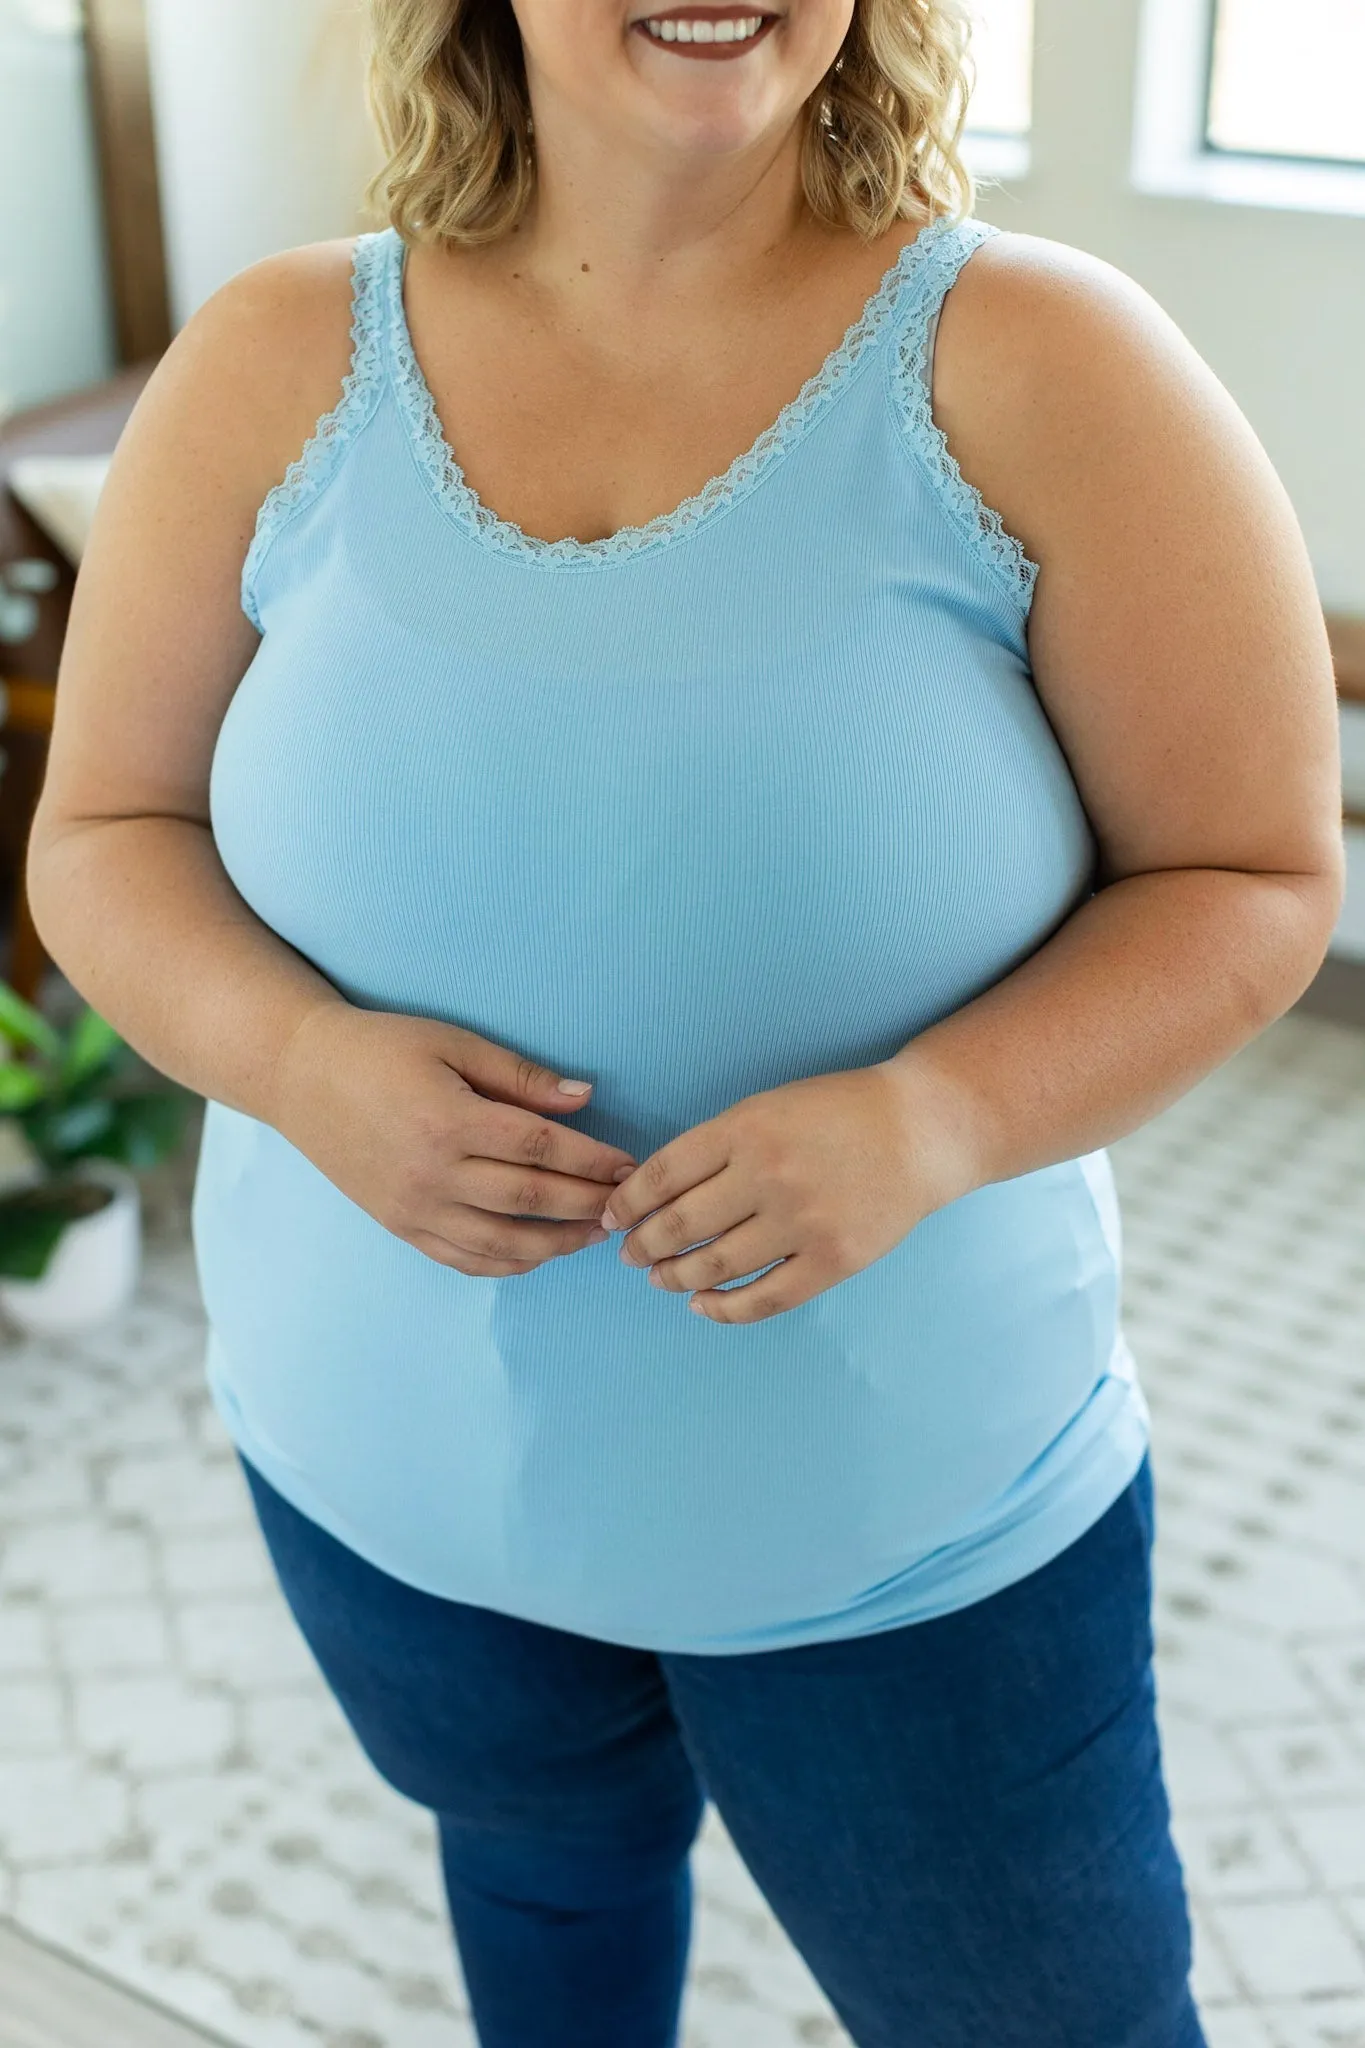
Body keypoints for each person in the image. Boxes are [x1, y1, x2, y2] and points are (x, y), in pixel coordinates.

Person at [29, 0, 1344, 2037]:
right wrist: (296, 1062)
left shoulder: (1046, 366)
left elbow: (1254, 880)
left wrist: (935, 1116)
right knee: (545, 1890)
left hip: (914, 1554)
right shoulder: (277, 360)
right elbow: (106, 828)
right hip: (388, 1491)